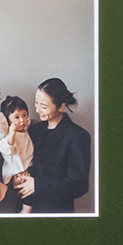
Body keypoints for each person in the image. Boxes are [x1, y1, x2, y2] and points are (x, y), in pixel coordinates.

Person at [15, 77, 91, 214]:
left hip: (54, 211)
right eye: (36, 103)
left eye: (43, 107)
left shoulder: (77, 136)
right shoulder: (34, 130)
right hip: (24, 209)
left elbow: (79, 185)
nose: (37, 110)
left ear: (61, 106)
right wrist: (16, 179)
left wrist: (38, 185)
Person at [0, 96, 35, 214]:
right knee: (25, 192)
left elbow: (25, 145)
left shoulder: (24, 131)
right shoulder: (9, 135)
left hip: (27, 168)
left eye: (25, 115)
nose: (22, 120)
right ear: (7, 119)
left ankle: (25, 208)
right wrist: (12, 134)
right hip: (15, 171)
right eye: (17, 117)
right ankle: (25, 210)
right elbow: (6, 147)